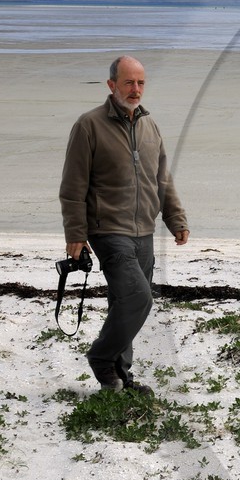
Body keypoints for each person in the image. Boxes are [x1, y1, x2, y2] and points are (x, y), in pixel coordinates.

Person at [59, 55, 189, 392]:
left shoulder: (150, 126)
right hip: (108, 229)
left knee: (123, 305)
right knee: (138, 298)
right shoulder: (89, 125)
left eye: (141, 82)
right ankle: (102, 358)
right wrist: (75, 233)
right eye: (129, 82)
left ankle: (119, 379)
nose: (136, 89)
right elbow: (73, 185)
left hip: (144, 229)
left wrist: (175, 217)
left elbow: (162, 178)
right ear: (111, 84)